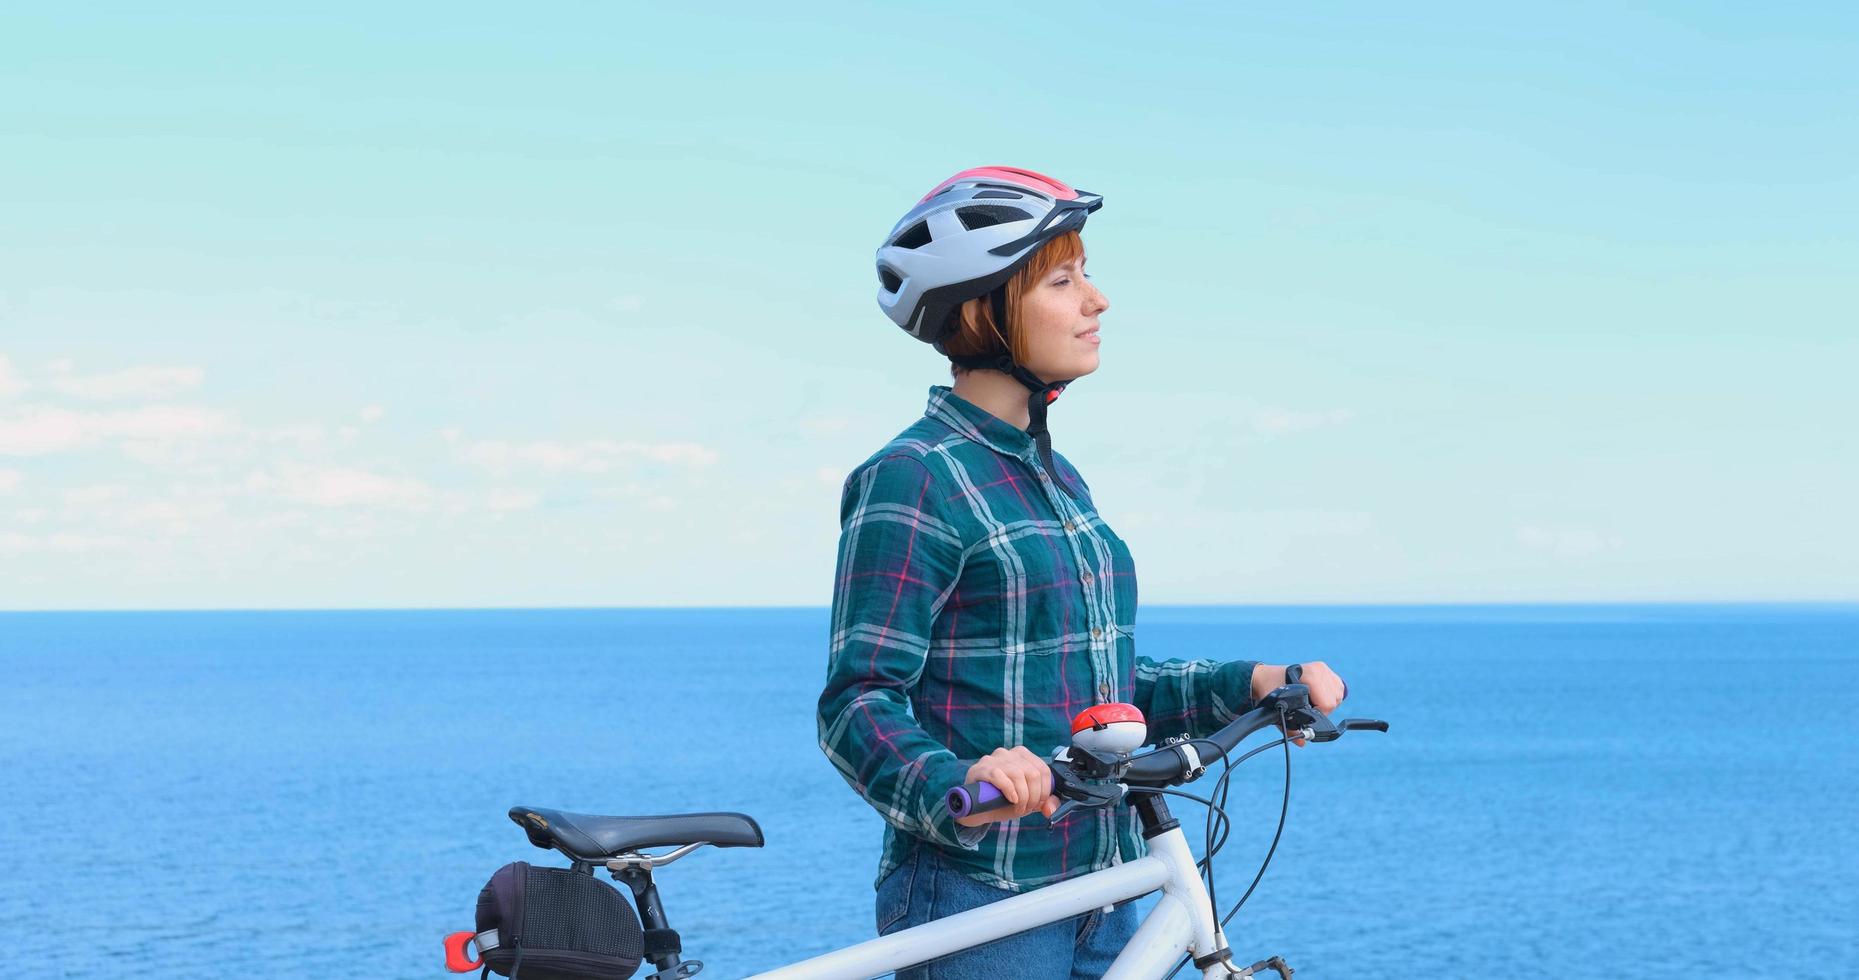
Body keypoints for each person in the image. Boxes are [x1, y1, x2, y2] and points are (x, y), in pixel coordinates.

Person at [817, 166, 1348, 979]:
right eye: (1062, 280)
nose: (1096, 301)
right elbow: (857, 703)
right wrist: (960, 779)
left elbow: (1097, 691)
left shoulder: (1059, 481)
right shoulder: (915, 474)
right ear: (979, 310)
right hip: (985, 893)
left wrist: (1253, 681)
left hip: (1106, 884)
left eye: (1086, 276)